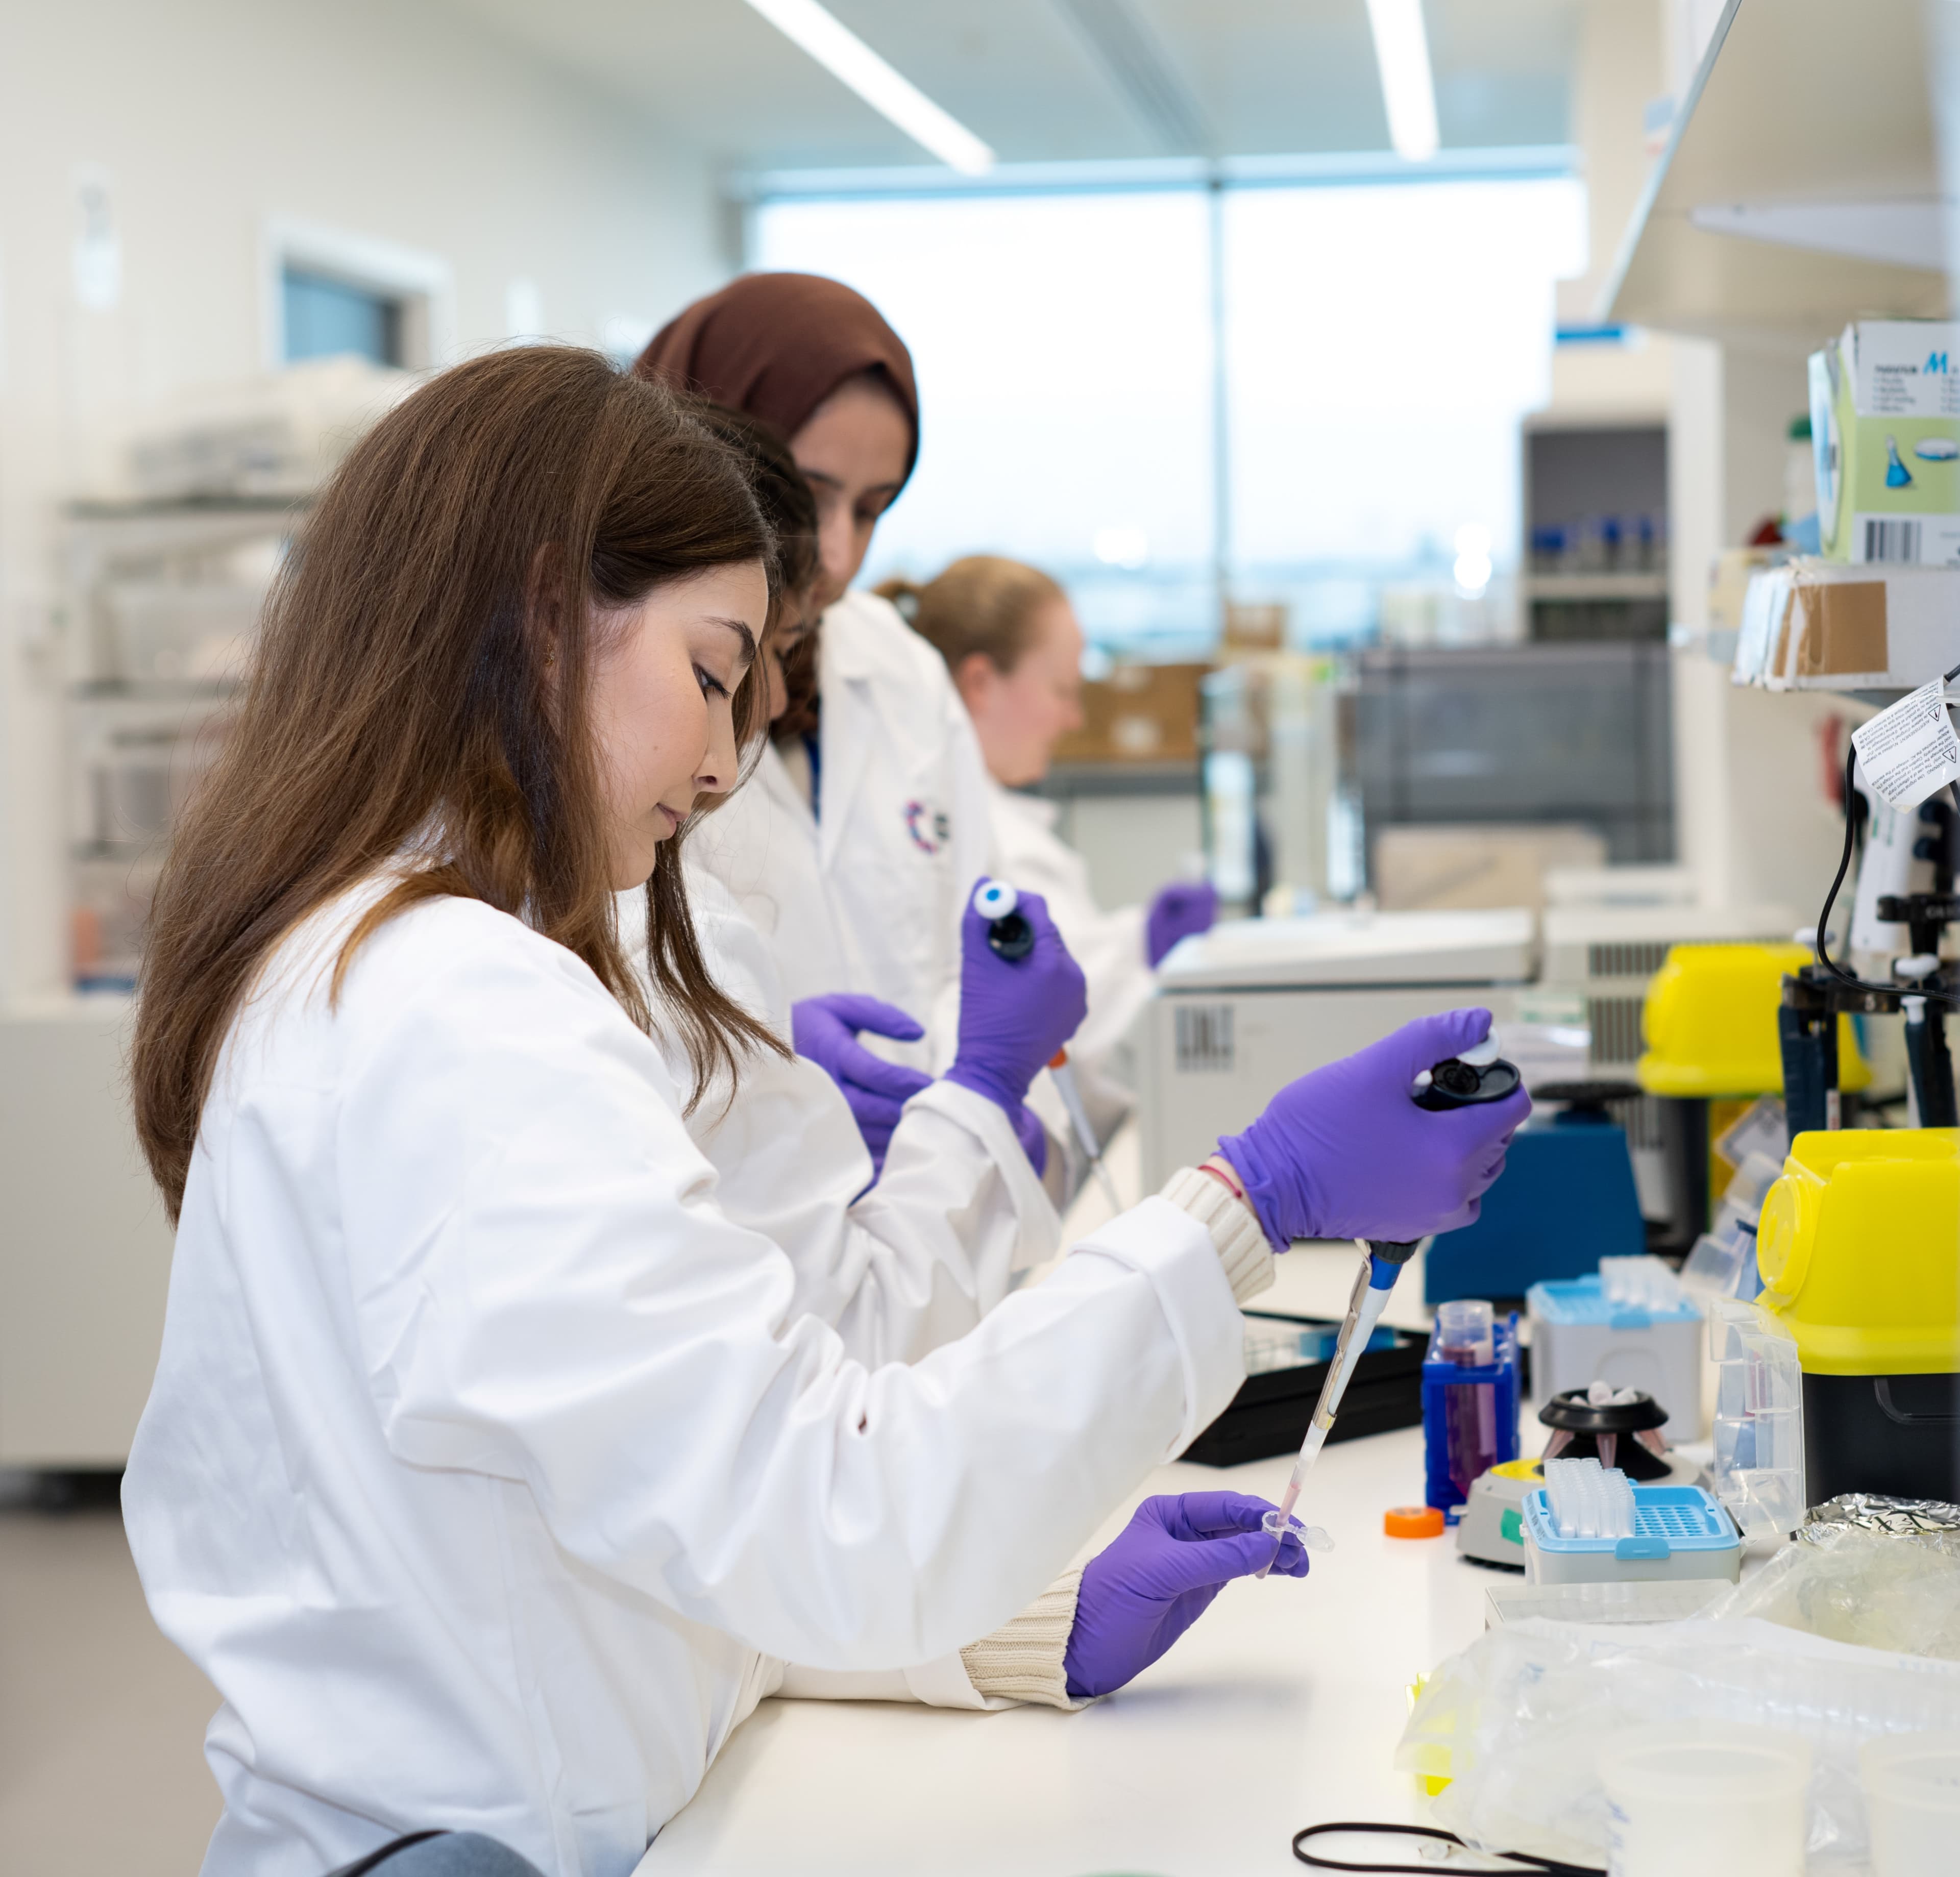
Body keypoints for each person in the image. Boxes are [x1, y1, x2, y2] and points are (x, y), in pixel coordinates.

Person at [119, 348, 1527, 1877]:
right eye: (713, 673)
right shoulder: (459, 1013)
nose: (726, 762)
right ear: (536, 614)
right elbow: (834, 1504)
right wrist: (1249, 1199)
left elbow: (616, 1541)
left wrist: (1017, 1628)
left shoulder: (365, 961)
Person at [636, 274, 1018, 1168]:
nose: (839, 555)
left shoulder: (899, 672)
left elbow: (979, 938)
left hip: (918, 1201)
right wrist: (761, 1070)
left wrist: (972, 1095)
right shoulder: (615, 696)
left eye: (874, 508)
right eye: (807, 494)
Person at [884, 555, 1215, 1140]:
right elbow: (1076, 1029)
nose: (1073, 718)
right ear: (980, 683)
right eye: (1063, 690)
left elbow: (1072, 963)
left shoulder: (995, 819)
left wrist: (1141, 939)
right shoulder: (972, 834)